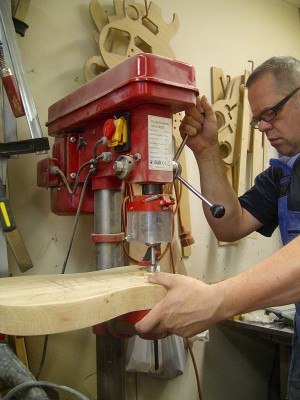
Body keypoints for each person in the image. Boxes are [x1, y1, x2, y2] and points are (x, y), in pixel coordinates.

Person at [135, 55, 300, 398]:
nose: (265, 127)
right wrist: (207, 151)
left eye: (271, 114)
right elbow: (231, 224)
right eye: (258, 121)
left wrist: (216, 300)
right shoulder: (284, 174)